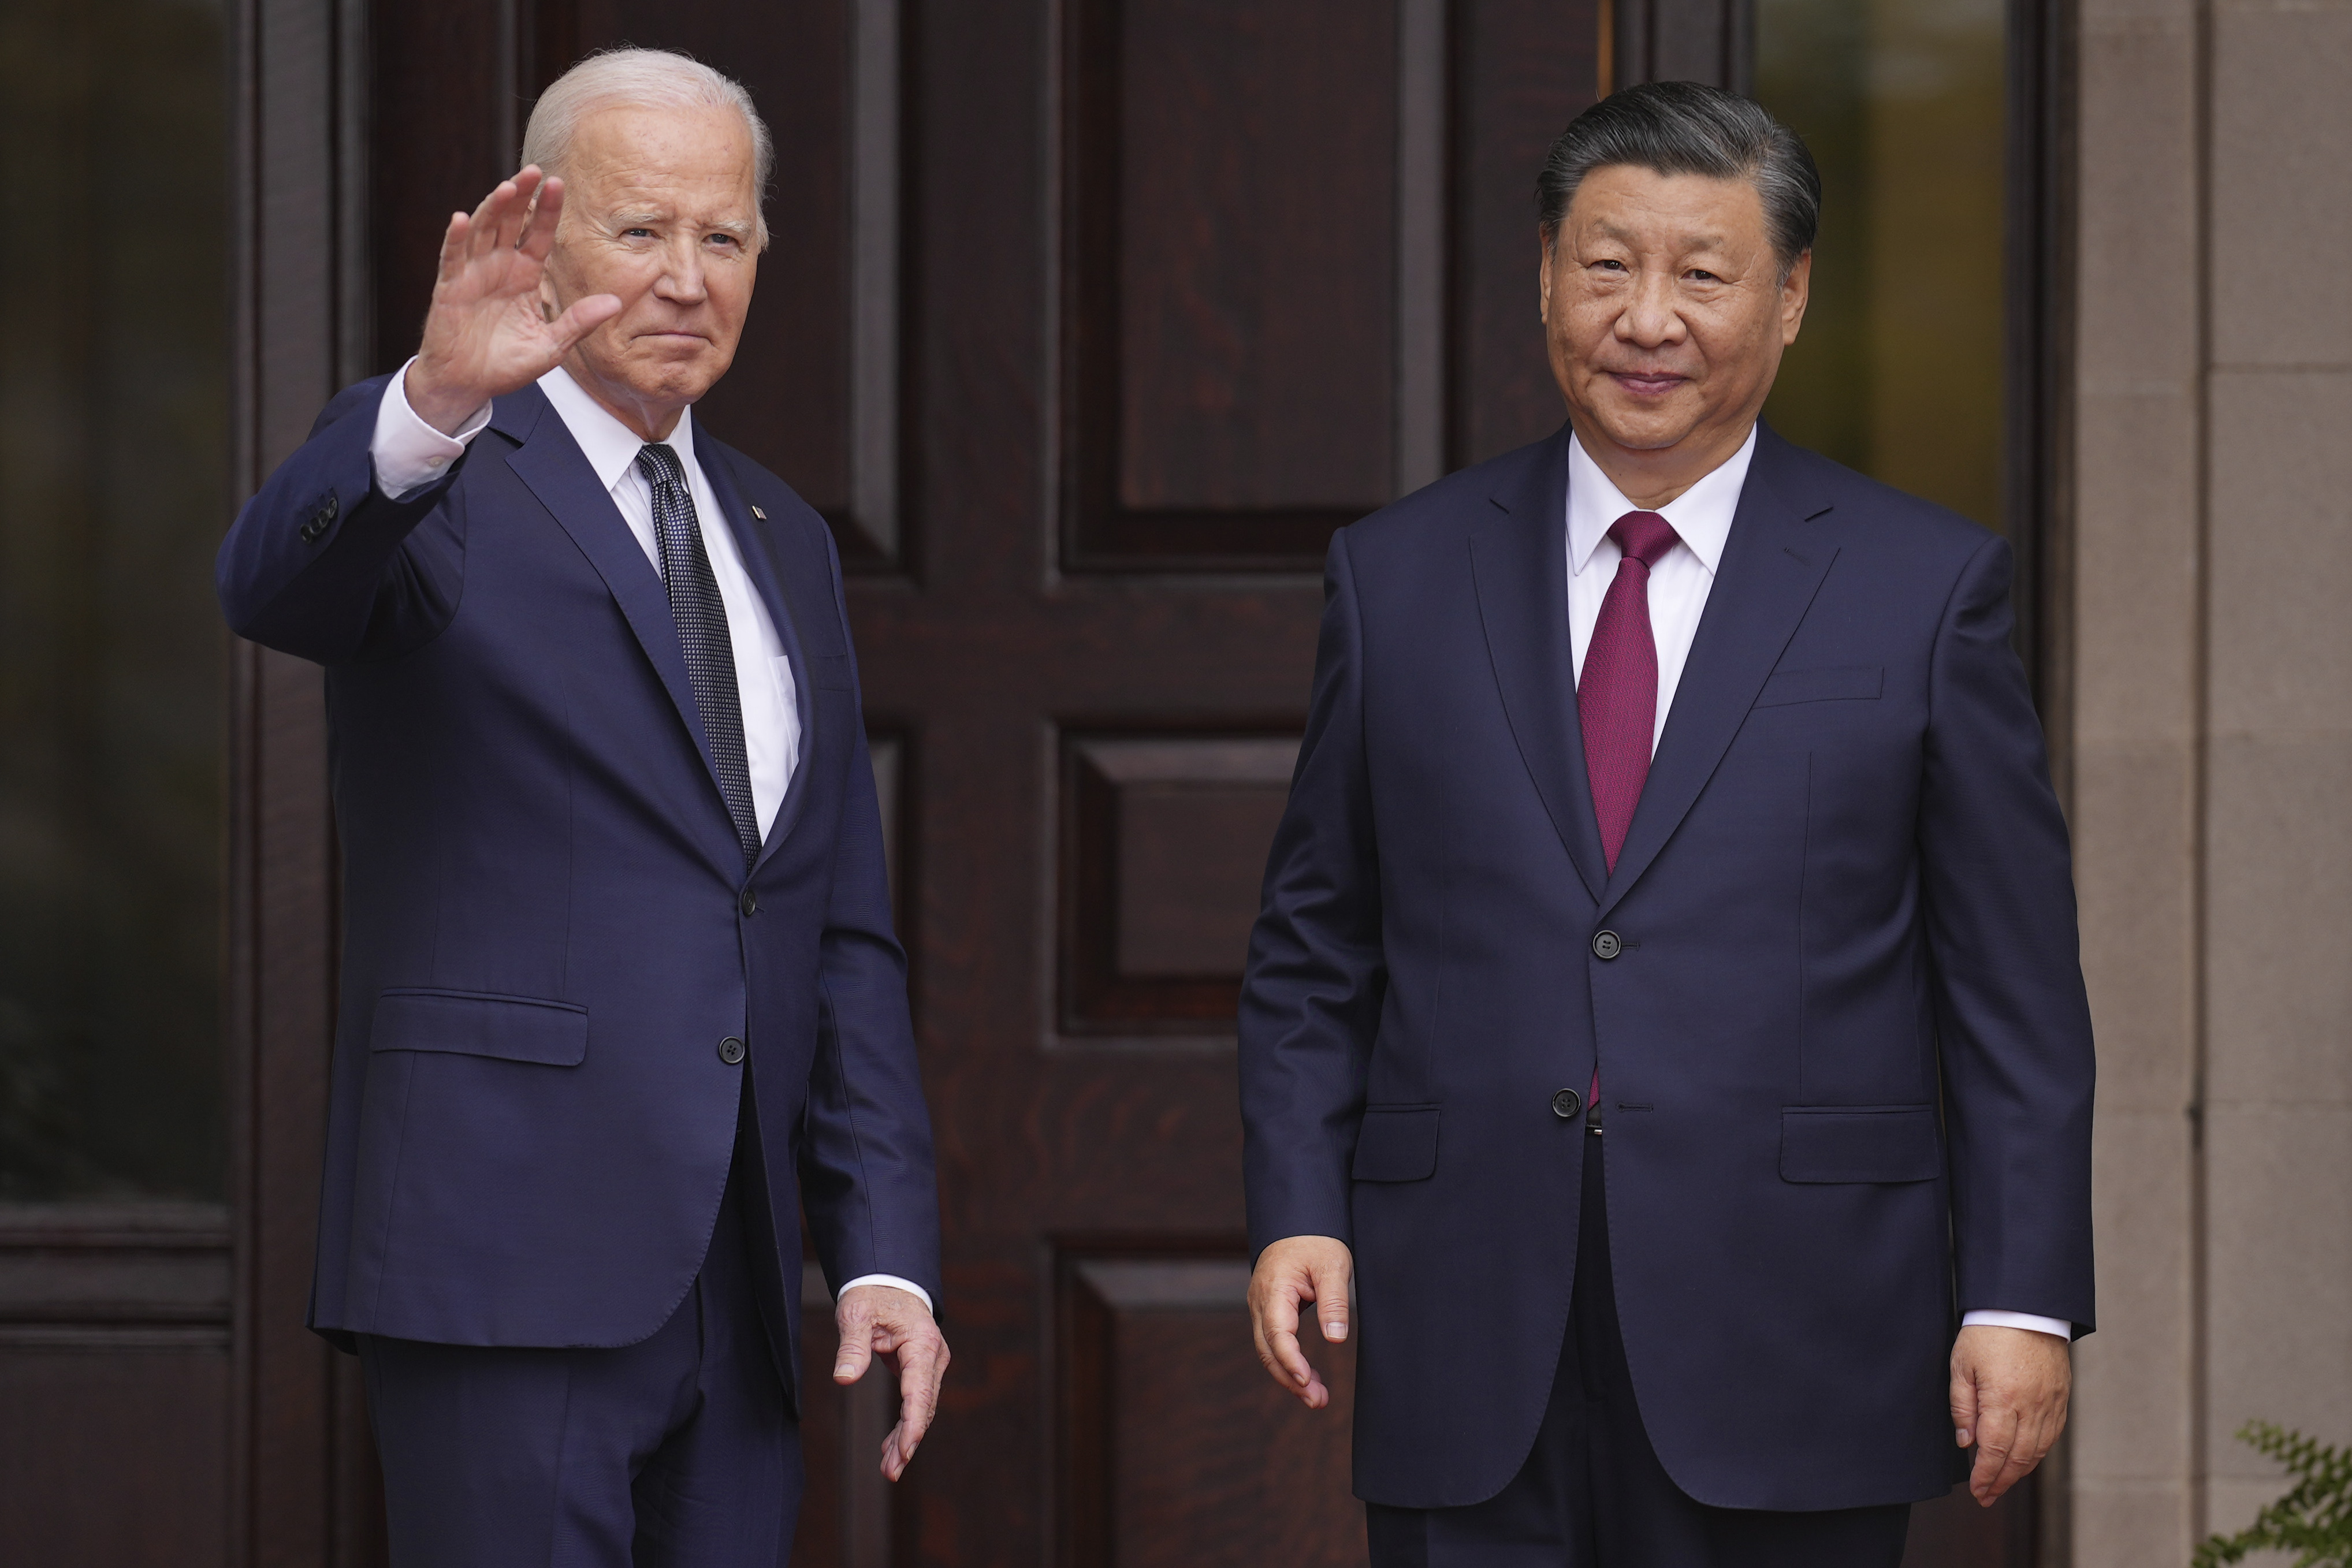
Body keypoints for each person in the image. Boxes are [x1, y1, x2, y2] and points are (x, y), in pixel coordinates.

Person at [1238, 81, 2093, 1567]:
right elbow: (1318, 942)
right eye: (1606, 264)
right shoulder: (1398, 575)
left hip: (1799, 1324)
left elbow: (2009, 988)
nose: (1647, 318)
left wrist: (2016, 1297)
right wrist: (1295, 1202)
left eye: (1700, 273)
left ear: (1790, 297)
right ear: (1545, 282)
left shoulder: (1921, 586)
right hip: (1472, 1323)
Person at [216, 49, 946, 1567]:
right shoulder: (443, 468)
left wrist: (884, 1254)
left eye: (725, 238)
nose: (687, 278)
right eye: (640, 231)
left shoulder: (783, 536)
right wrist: (429, 403)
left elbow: (837, 931)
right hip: (507, 1264)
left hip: (740, 1288)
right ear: (543, 240)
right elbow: (274, 581)